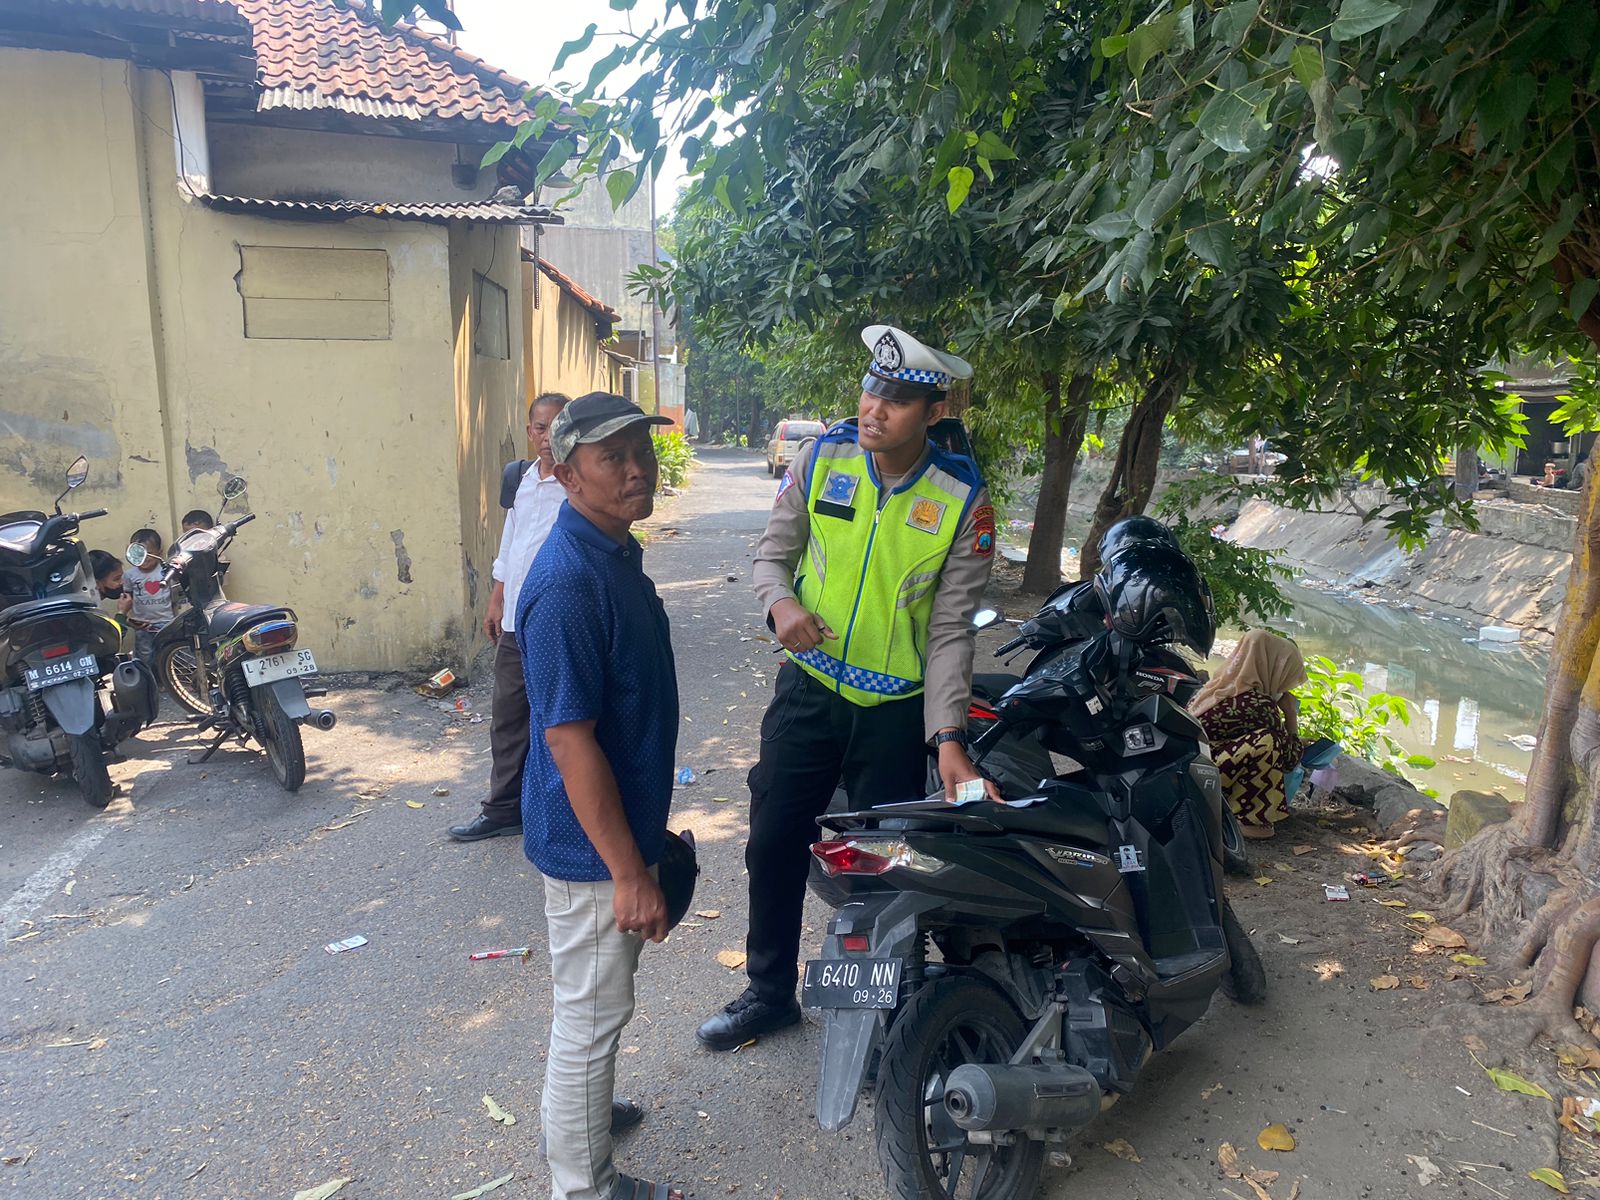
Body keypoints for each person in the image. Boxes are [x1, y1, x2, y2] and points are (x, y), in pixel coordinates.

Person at [696, 323, 997, 1053]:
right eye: (870, 390)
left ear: (933, 411)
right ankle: (769, 992)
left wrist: (948, 739)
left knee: (879, 865)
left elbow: (951, 631)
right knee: (773, 842)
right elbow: (772, 556)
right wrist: (781, 606)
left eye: (897, 400)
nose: (874, 409)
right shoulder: (821, 457)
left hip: (894, 714)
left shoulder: (962, 500)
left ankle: (876, 1019)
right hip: (808, 693)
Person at [519, 391, 683, 1200]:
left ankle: (579, 1115)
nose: (635, 470)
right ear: (566, 473)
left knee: (591, 1008)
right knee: (590, 1017)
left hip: (612, 830)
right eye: (611, 458)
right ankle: (583, 1185)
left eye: (641, 452)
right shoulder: (569, 582)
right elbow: (568, 741)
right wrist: (627, 871)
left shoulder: (612, 550)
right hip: (591, 849)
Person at [448, 392, 573, 843]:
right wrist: (497, 598)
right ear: (529, 431)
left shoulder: (580, 483)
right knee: (507, 718)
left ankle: (565, 812)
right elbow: (511, 543)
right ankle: (503, 809)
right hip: (516, 622)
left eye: (557, 427)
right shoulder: (521, 479)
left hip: (559, 623)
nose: (547, 437)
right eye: (540, 428)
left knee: (562, 720)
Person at [1190, 628, 1308, 840]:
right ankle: (1245, 817)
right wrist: (1291, 715)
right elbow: (1290, 761)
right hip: (1204, 782)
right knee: (1268, 743)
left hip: (1192, 771)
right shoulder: (1259, 705)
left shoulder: (1217, 689)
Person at [123, 528, 173, 664]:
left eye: (149, 553)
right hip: (142, 625)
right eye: (139, 554)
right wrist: (129, 619)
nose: (144, 558)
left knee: (167, 655)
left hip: (166, 622)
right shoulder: (129, 575)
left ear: (159, 551)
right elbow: (127, 599)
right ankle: (147, 677)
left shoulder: (166, 572)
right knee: (145, 657)